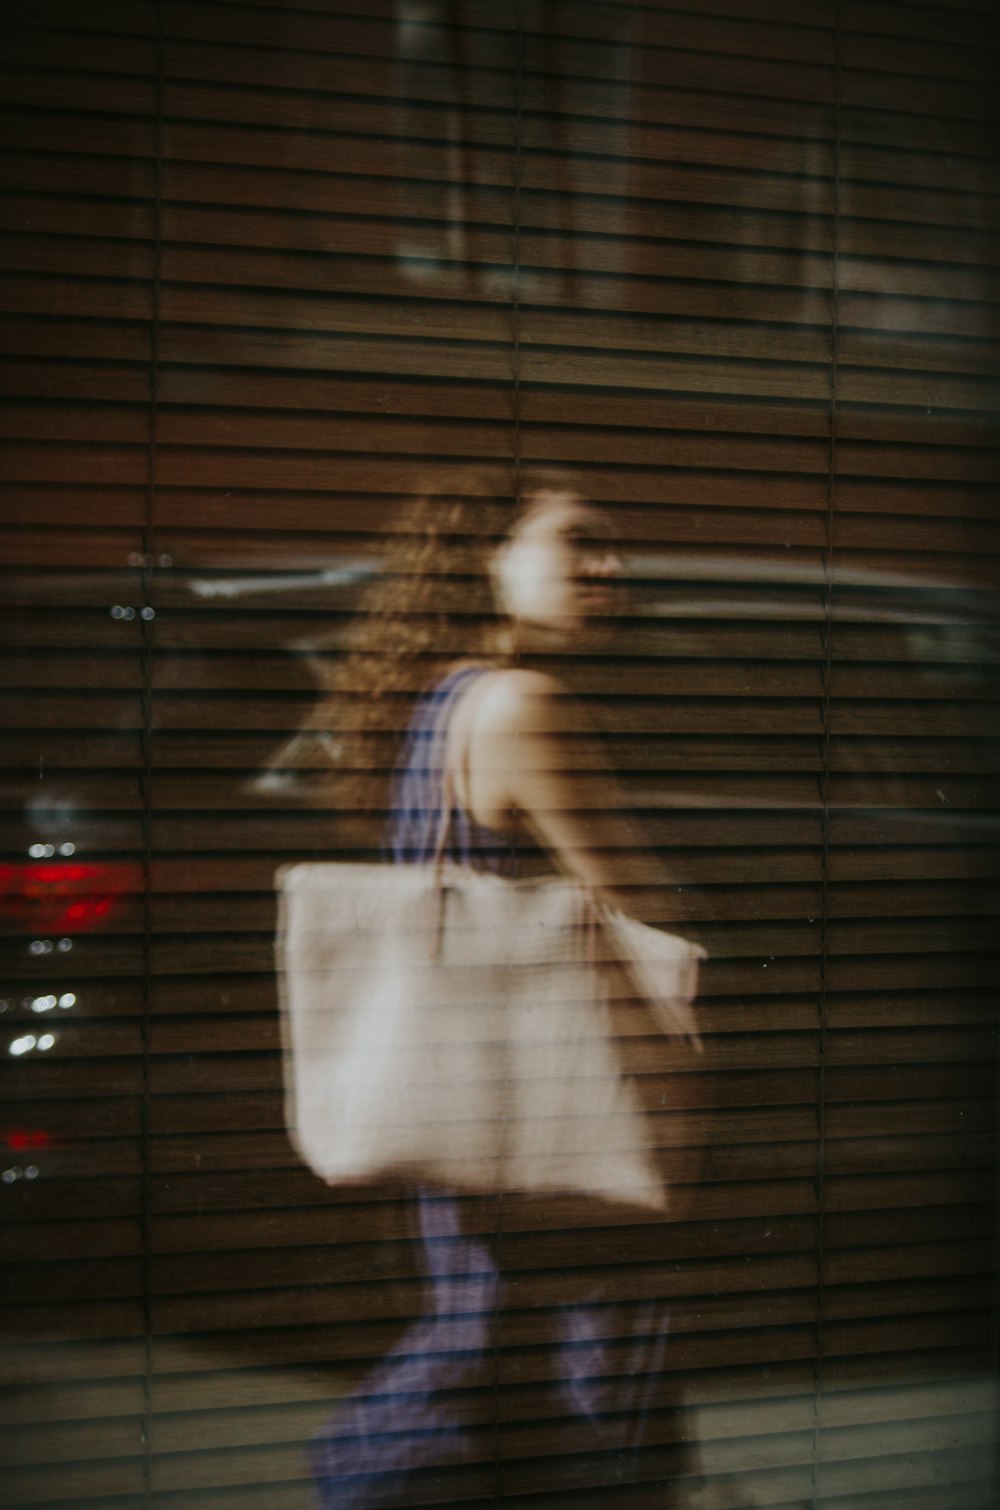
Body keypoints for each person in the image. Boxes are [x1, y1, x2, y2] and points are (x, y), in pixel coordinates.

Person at [301, 468, 693, 1505]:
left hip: (472, 1107)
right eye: (578, 541)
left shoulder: (443, 697)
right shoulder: (524, 703)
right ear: (487, 558)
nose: (612, 566)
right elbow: (645, 903)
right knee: (573, 1381)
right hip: (552, 1117)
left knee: (495, 1349)